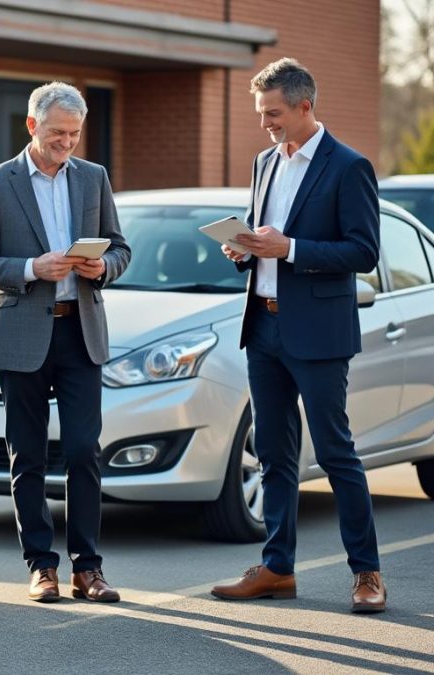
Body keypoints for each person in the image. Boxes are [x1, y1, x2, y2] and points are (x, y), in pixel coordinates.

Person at [211, 58, 385, 613]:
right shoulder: (266, 161)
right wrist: (242, 248)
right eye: (262, 113)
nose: (266, 124)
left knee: (336, 454)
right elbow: (260, 235)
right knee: (274, 456)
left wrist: (289, 248)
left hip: (318, 332)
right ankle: (276, 569)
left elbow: (364, 252)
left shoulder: (349, 166)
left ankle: (367, 574)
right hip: (262, 326)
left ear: (305, 106)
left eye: (274, 113)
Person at [0, 82, 130, 604]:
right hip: (22, 334)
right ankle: (41, 566)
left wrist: (103, 267)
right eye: (58, 133)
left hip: (80, 330)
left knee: (83, 451)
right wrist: (32, 268)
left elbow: (120, 248)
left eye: (75, 134)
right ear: (32, 127)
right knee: (27, 456)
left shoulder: (93, 178)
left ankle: (88, 569)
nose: (67, 143)